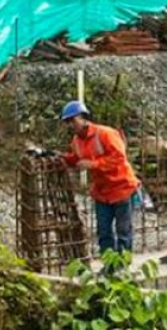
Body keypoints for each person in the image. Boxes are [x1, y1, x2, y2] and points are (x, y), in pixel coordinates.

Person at [59, 100, 141, 258]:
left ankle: (122, 264)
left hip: (121, 187)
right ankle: (109, 265)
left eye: (72, 120)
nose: (70, 125)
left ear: (83, 118)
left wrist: (94, 164)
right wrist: (61, 158)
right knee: (104, 232)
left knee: (123, 230)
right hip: (102, 191)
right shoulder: (76, 142)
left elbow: (119, 157)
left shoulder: (105, 133)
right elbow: (76, 159)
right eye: (67, 122)